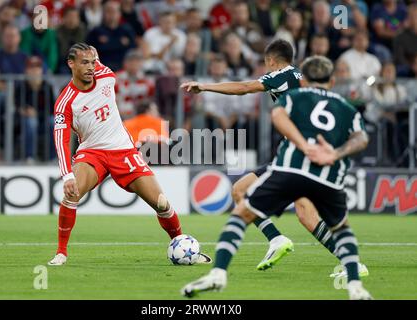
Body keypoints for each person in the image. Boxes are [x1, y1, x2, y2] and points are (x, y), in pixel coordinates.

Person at [181, 55, 373, 300]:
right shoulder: (346, 106)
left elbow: (271, 112)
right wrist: (335, 152)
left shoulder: (294, 95)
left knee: (244, 210)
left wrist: (303, 145)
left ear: (303, 80)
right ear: (333, 81)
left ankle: (218, 273)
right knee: (333, 225)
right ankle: (352, 281)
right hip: (326, 173)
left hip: (292, 166)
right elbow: (361, 139)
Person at [47, 43, 211, 266]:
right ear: (71, 64)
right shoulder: (65, 102)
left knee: (162, 203)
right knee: (72, 193)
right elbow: (61, 140)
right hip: (92, 152)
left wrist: (94, 54)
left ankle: (182, 245)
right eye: (84, 62)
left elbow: (97, 60)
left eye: (93, 62)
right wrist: (66, 175)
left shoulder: (106, 75)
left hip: (123, 149)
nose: (90, 67)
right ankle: (61, 253)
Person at [86, 1, 136, 71]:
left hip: (124, 69)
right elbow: (91, 52)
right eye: (108, 11)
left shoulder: (127, 30)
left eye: (114, 11)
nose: (111, 14)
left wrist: (107, 43)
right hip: (101, 69)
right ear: (103, 14)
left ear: (119, 14)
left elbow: (132, 50)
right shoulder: (95, 31)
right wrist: (120, 43)